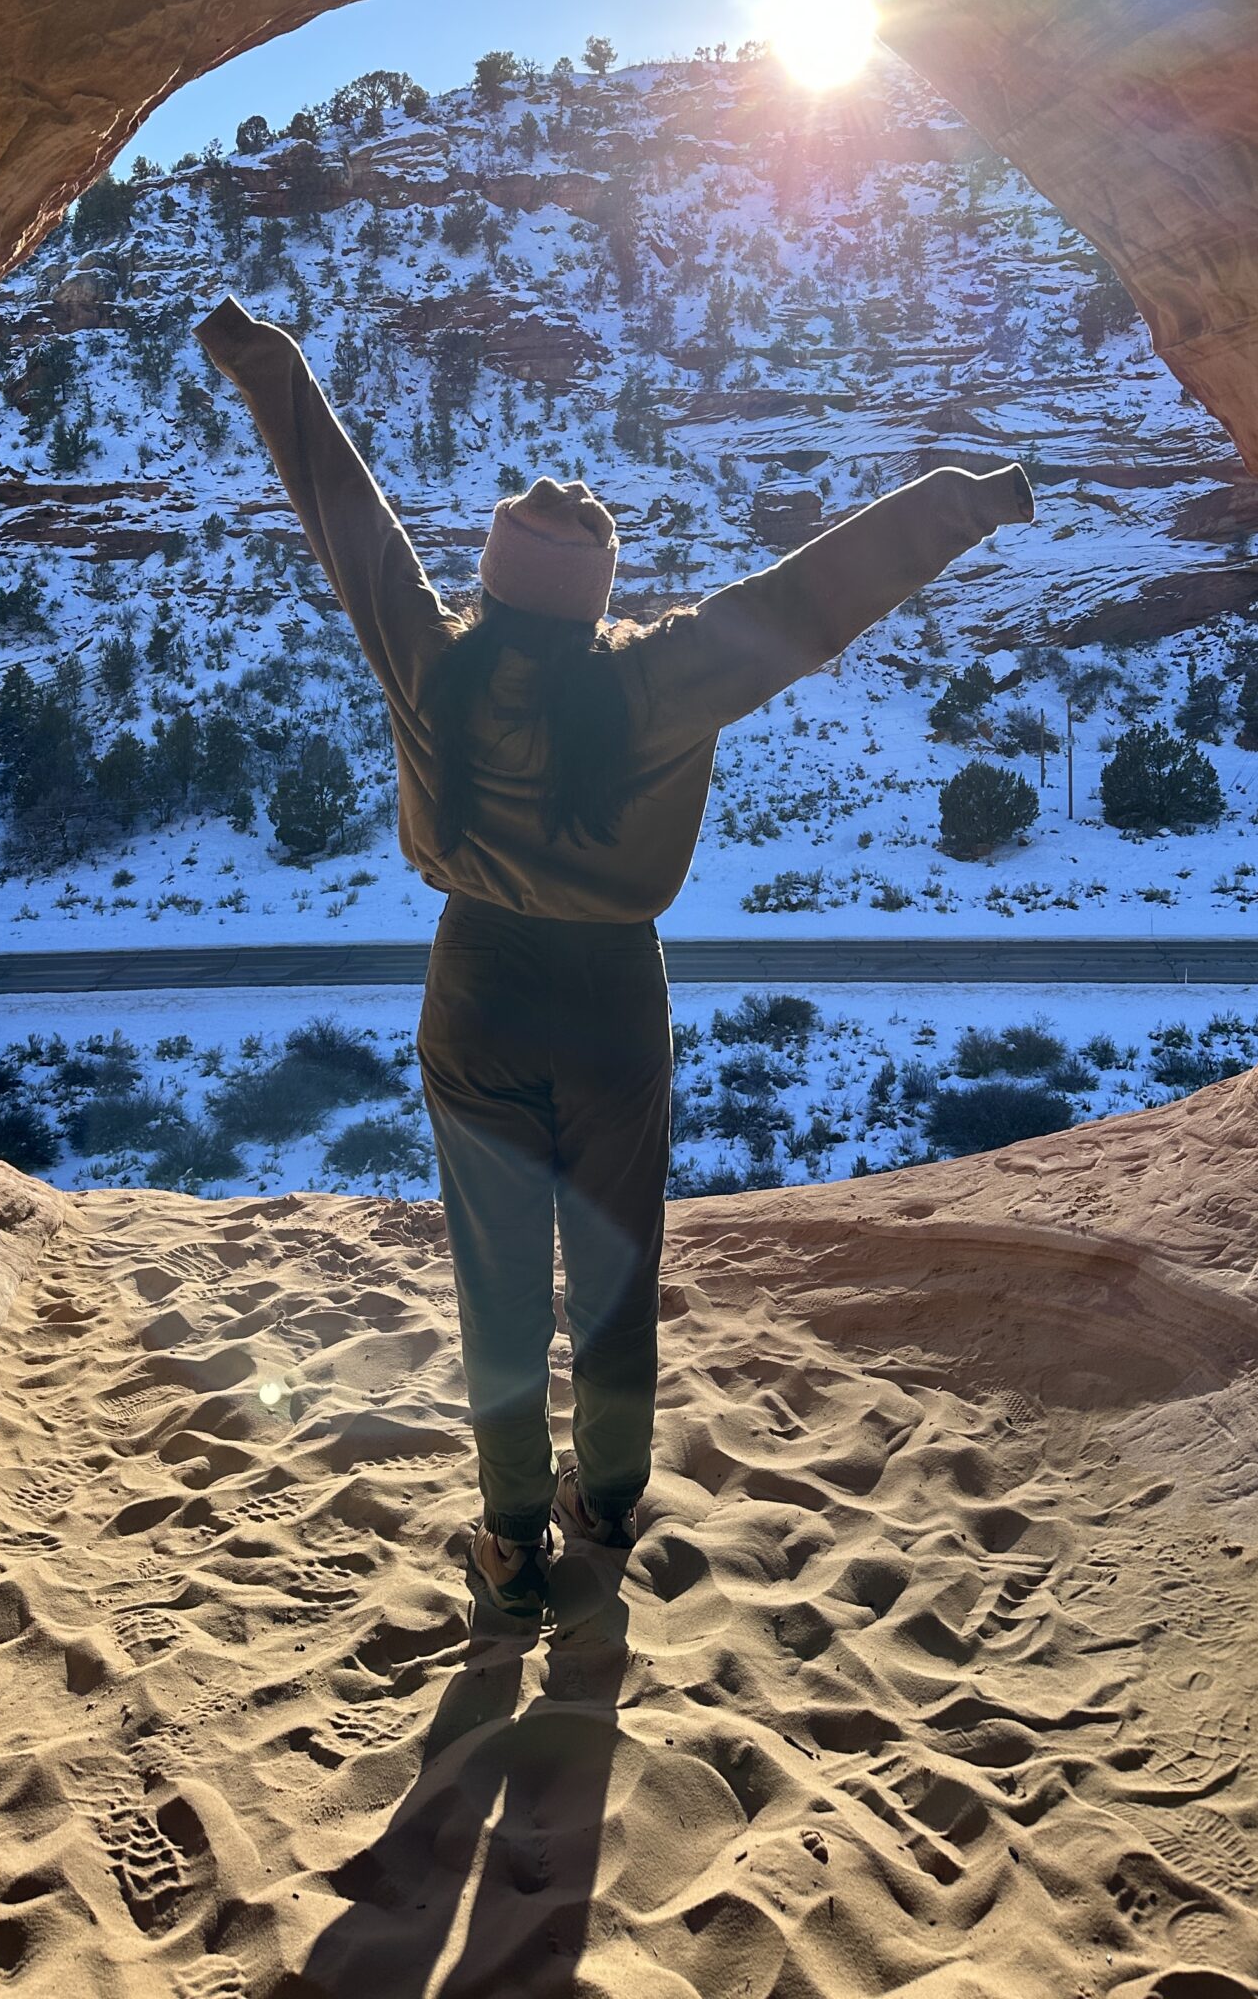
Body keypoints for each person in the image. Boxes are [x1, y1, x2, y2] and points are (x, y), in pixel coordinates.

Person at [197, 293, 1034, 1619]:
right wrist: (960, 500)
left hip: (473, 987)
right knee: (617, 1269)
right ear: (587, 590)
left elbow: (346, 521)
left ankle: (512, 1536)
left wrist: (275, 366)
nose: (567, 480)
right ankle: (611, 1501)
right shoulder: (657, 678)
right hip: (613, 1001)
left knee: (495, 1275)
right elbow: (813, 600)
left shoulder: (433, 661)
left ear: (495, 577)